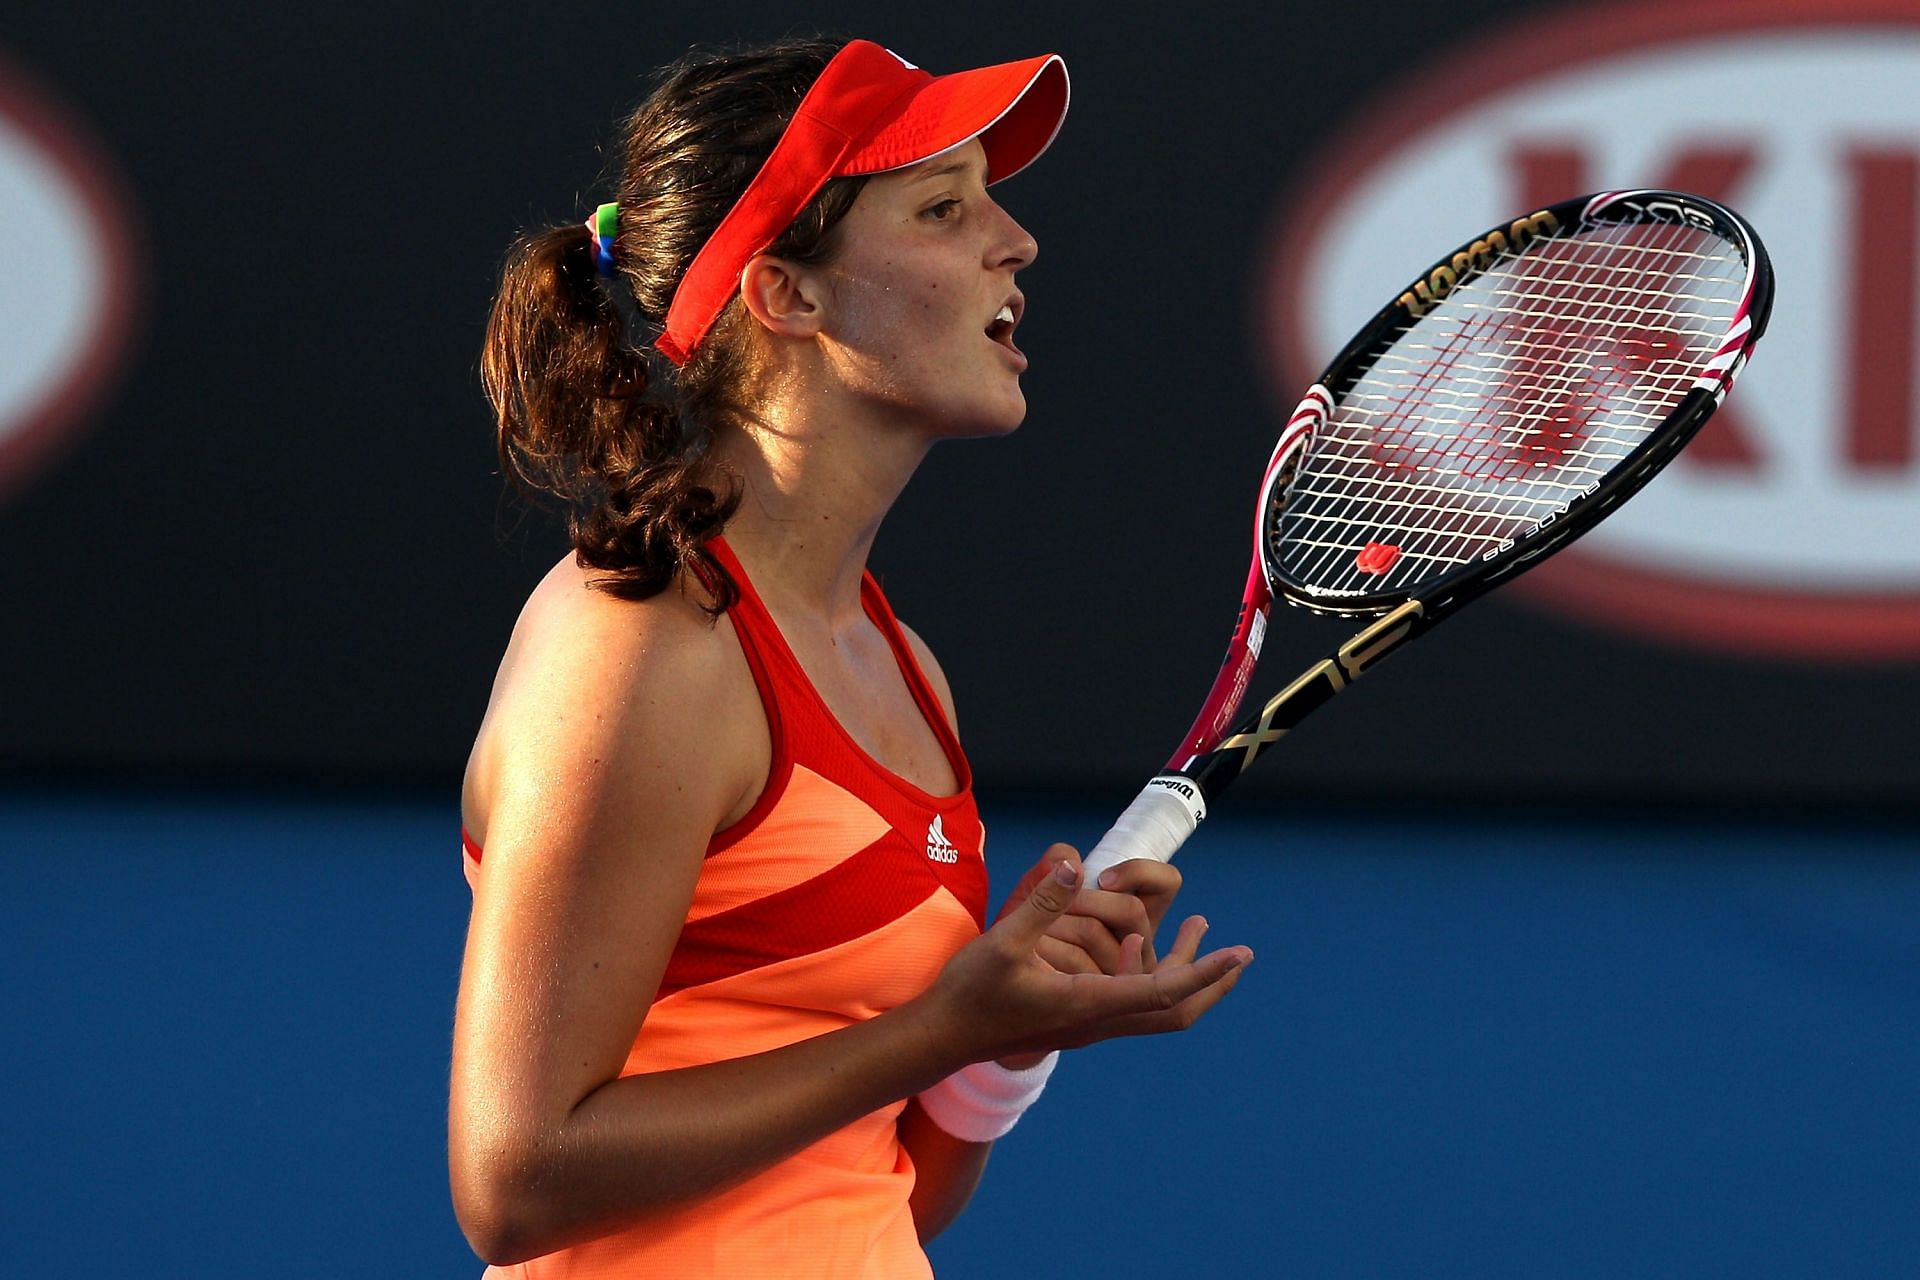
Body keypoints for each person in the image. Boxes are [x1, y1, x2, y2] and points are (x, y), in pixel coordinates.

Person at [449, 37, 1253, 1278]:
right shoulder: (637, 649)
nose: (1016, 240)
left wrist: (1004, 1042)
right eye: (943, 207)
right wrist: (940, 1026)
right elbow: (517, 1176)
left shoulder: (901, 666)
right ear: (788, 293)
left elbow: (872, 1197)